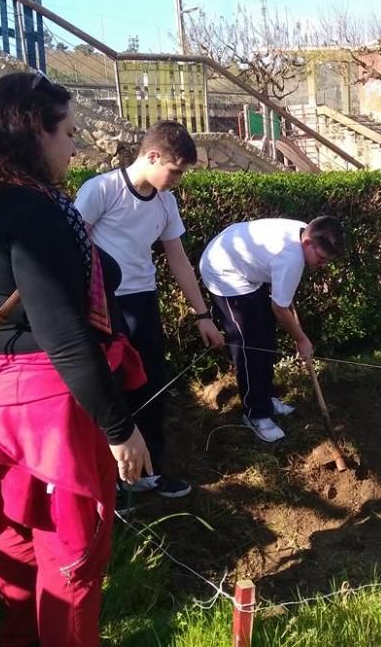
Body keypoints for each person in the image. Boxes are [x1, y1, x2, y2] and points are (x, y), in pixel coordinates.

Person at [0, 71, 151, 646]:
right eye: (70, 133)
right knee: (73, 558)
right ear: (36, 131)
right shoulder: (37, 211)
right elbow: (63, 335)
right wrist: (119, 427)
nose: (75, 147)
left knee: (17, 546)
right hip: (49, 411)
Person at [75, 120, 223, 500]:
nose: (176, 179)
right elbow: (70, 246)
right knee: (110, 393)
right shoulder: (101, 190)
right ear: (152, 156)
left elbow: (178, 260)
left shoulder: (165, 202)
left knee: (151, 388)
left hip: (144, 300)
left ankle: (148, 473)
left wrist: (203, 315)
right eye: (174, 170)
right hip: (103, 306)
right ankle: (105, 483)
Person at [199, 216, 346, 442]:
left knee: (265, 334)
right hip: (223, 272)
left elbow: (278, 303)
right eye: (322, 258)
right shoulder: (291, 259)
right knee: (248, 344)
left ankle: (265, 396)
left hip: (245, 268)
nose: (322, 265)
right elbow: (280, 308)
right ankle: (255, 413)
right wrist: (301, 339)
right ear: (308, 243)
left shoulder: (303, 232)